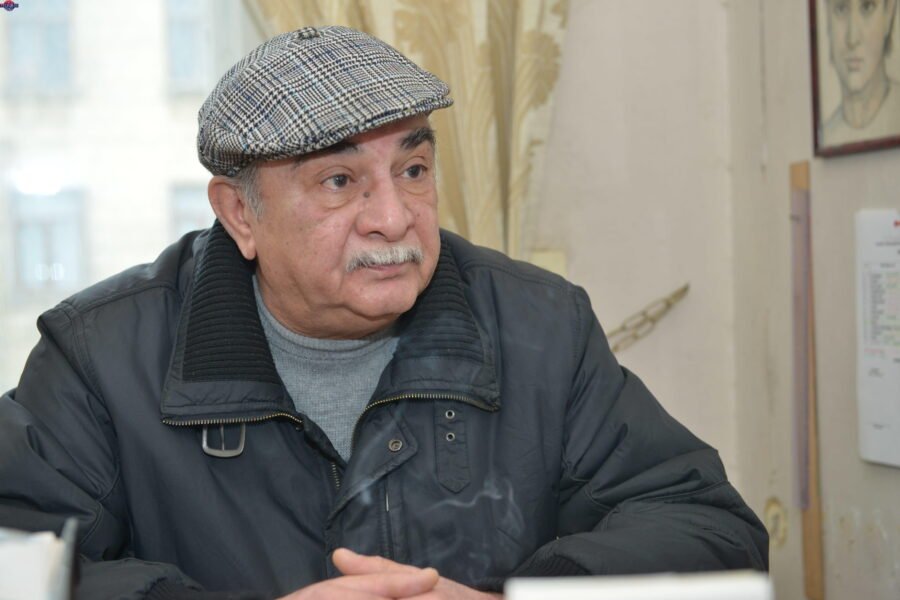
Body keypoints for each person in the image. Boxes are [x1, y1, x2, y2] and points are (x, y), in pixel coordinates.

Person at [0, 26, 767, 599]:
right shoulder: (101, 355)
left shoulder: (540, 326)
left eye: (414, 168)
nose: (395, 218)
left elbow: (709, 530)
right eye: (339, 181)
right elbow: (21, 564)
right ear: (239, 213)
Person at [823, 0, 900, 145]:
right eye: (841, 9)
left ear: (888, 14)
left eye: (867, 7)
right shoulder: (826, 136)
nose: (852, 38)